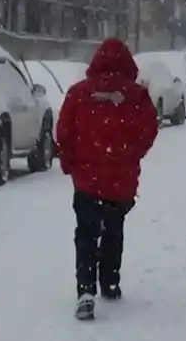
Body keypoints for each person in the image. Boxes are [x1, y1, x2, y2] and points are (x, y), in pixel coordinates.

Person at [56, 38, 160, 321]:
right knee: (114, 227)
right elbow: (149, 129)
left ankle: (85, 289)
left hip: (87, 178)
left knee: (86, 232)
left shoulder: (79, 93)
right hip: (120, 178)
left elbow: (64, 130)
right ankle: (110, 282)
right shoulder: (136, 95)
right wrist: (131, 154)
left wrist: (71, 163)